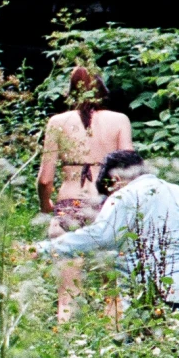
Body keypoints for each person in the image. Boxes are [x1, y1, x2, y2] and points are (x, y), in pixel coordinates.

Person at [34, 150, 179, 332]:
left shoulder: (125, 195)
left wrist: (45, 248)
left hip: (162, 297)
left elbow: (101, 236)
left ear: (115, 180)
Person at [36, 62, 132, 321]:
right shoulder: (119, 120)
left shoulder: (57, 122)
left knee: (67, 296)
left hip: (69, 207)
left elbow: (45, 180)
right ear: (101, 89)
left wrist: (48, 209)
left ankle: (68, 351)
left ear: (70, 91)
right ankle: (115, 352)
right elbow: (129, 171)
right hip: (106, 207)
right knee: (113, 293)